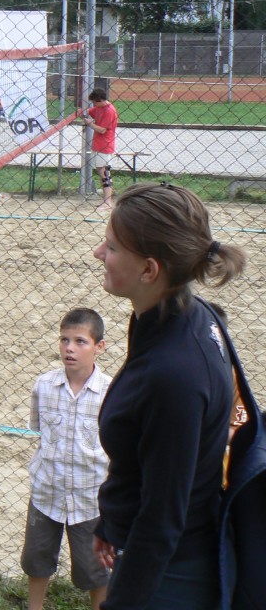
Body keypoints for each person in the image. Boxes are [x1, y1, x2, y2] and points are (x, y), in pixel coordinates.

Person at [91, 182, 247, 610]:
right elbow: (150, 454)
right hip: (156, 551)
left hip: (170, 575)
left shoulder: (174, 373)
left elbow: (163, 518)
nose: (98, 254)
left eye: (111, 247)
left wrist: (119, 604)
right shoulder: (179, 317)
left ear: (149, 270)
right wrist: (113, 518)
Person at [21, 307, 111, 610]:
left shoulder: (110, 393)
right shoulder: (44, 386)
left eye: (80, 341)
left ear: (100, 347)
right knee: (37, 558)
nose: (70, 348)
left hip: (90, 499)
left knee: (95, 569)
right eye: (64, 340)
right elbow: (39, 431)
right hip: (47, 493)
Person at [83, 88, 118, 211]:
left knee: (105, 172)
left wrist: (90, 124)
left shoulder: (109, 111)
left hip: (105, 144)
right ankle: (106, 200)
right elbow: (90, 111)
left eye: (95, 102)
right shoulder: (99, 108)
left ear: (100, 100)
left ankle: (108, 201)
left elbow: (102, 130)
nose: (94, 105)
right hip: (98, 144)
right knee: (101, 170)